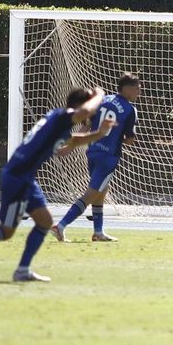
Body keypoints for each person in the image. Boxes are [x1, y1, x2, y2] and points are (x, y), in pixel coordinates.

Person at [0, 87, 116, 282]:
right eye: (91, 105)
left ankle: (23, 270)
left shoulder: (57, 119)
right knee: (4, 232)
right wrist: (99, 94)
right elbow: (85, 113)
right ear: (80, 104)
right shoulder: (65, 116)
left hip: (26, 178)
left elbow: (74, 139)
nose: (94, 111)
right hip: (18, 177)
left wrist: (100, 133)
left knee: (43, 222)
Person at [52, 72, 141, 243]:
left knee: (102, 190)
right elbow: (130, 140)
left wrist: (70, 146)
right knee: (91, 194)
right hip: (108, 156)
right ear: (127, 89)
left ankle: (98, 232)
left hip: (92, 152)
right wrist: (114, 136)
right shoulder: (130, 110)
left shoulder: (103, 101)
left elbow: (86, 125)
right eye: (137, 88)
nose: (139, 92)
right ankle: (60, 226)